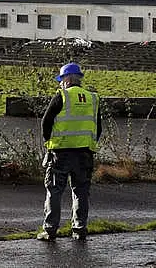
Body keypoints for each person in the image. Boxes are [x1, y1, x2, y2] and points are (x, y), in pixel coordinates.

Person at [37, 62, 101, 242]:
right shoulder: (93, 98)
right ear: (78, 79)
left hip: (61, 152)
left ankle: (50, 230)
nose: (60, 83)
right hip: (84, 153)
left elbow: (46, 122)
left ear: (66, 79)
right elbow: (98, 127)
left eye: (61, 79)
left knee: (54, 191)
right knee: (81, 191)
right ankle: (80, 229)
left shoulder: (61, 96)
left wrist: (49, 142)